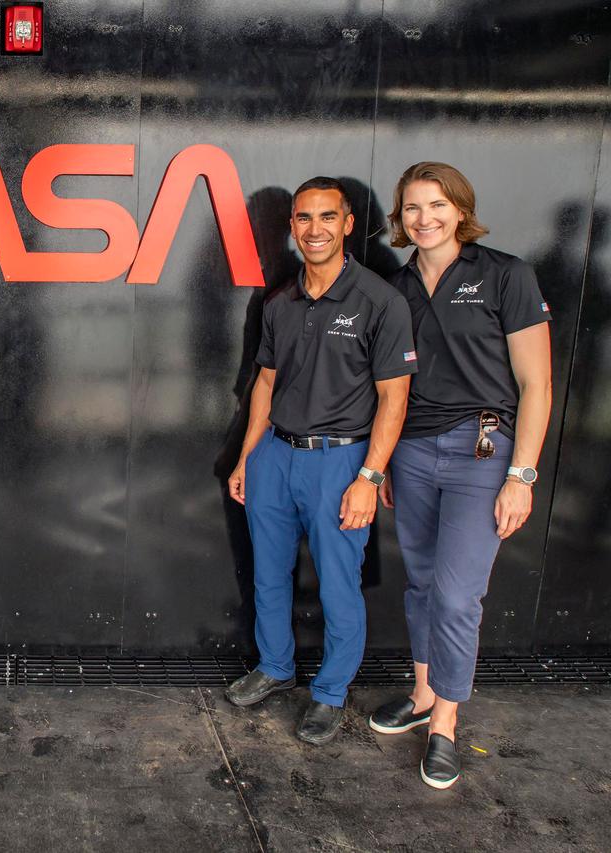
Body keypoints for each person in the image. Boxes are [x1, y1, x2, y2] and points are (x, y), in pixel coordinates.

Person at [367, 162, 551, 790]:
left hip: (482, 452)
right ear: (400, 217)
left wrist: (521, 474)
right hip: (414, 451)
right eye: (412, 208)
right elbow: (391, 385)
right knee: (420, 584)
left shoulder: (506, 274)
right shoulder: (394, 288)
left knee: (455, 594)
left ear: (461, 209)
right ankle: (421, 696)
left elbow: (537, 383)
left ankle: (445, 721)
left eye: (437, 205)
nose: (425, 218)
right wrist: (383, 461)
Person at [224, 177, 416, 745]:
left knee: (337, 586)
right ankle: (277, 668)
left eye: (326, 218)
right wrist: (246, 457)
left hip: (341, 462)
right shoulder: (280, 301)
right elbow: (264, 383)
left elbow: (395, 398)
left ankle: (330, 693)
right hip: (275, 458)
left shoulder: (380, 301)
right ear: (292, 225)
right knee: (269, 576)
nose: (315, 230)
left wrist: (370, 477)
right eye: (304, 219)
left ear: (348, 223)